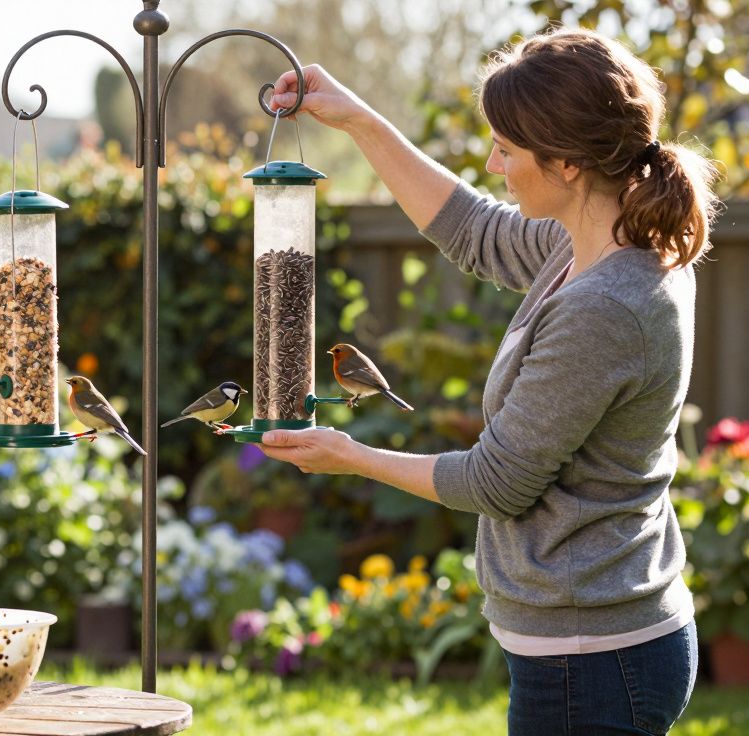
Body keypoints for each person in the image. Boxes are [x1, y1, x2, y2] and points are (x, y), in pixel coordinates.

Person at [260, 27, 719, 735]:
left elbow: (496, 483)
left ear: (566, 163)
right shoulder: (593, 240)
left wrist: (346, 455)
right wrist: (356, 119)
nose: (491, 162)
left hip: (592, 660)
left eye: (506, 149)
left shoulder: (608, 304)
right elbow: (471, 228)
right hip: (590, 643)